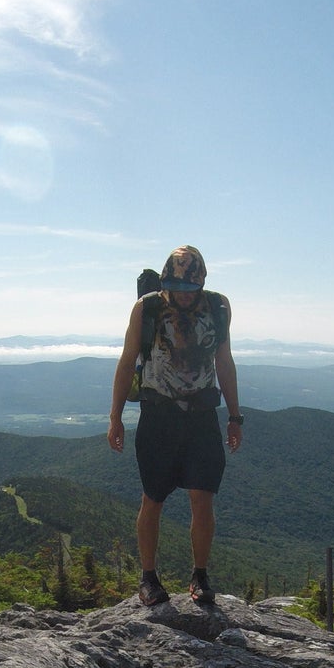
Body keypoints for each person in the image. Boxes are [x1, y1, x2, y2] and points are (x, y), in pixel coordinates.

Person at [108, 245, 243, 606]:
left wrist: (234, 416)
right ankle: (148, 578)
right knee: (152, 498)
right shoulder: (147, 308)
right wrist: (115, 417)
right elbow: (126, 363)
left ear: (201, 284)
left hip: (202, 416)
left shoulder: (218, 308)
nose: (183, 295)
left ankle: (200, 576)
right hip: (159, 416)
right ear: (166, 281)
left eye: (189, 288)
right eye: (176, 287)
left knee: (203, 498)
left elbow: (224, 362)